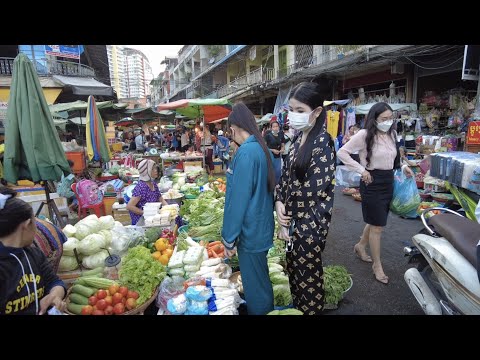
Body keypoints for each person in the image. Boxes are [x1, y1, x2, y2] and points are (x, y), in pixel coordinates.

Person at [275, 82, 336, 315]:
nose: (294, 115)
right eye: (291, 109)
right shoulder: (297, 140)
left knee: (309, 284)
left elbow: (311, 192)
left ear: (317, 112)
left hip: (309, 227)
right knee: (295, 278)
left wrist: (285, 219)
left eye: (300, 110)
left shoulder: (323, 142)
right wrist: (279, 202)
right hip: (293, 224)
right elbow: (284, 179)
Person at [337, 102, 414, 285]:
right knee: (378, 226)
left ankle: (360, 245)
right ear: (374, 119)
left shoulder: (392, 133)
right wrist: (361, 170)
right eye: (384, 119)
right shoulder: (364, 135)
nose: (388, 122)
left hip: (388, 181)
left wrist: (403, 166)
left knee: (375, 221)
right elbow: (342, 152)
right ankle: (377, 265)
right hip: (371, 181)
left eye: (390, 118)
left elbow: (394, 158)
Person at [221, 102, 276, 315]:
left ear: (233, 129)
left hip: (250, 231)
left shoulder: (245, 153)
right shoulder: (263, 149)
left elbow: (237, 200)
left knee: (255, 289)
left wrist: (229, 237)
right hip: (261, 227)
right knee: (261, 281)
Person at [0, 186, 67, 315]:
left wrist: (55, 295)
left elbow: (54, 281)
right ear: (26, 225)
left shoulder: (34, 254)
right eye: (35, 223)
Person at [126, 159, 168, 225]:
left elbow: (161, 200)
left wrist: (169, 209)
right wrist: (145, 213)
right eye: (152, 169)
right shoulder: (141, 187)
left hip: (153, 219)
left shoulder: (153, 184)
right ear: (146, 171)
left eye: (155, 168)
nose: (156, 170)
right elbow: (130, 206)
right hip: (142, 221)